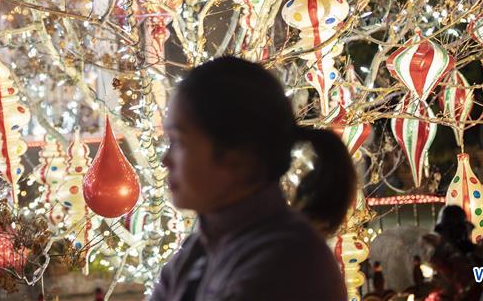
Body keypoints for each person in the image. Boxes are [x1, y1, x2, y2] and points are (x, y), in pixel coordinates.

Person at [149, 56, 357, 301]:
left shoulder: (287, 262)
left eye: (178, 141)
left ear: (237, 154)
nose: (165, 160)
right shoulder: (198, 251)